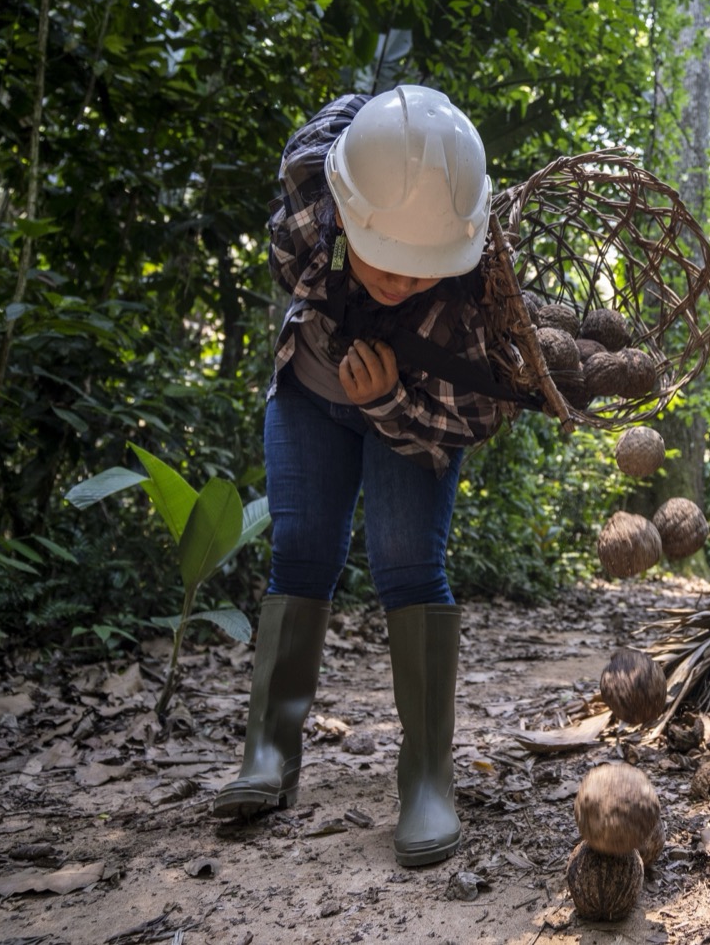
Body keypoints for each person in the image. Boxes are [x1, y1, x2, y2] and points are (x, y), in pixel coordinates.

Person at [213, 84, 511, 868]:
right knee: (302, 549)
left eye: (423, 269)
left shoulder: (477, 309)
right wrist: (396, 120)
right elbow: (335, 133)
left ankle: (426, 782)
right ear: (349, 212)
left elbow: (465, 426)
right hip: (311, 387)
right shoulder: (315, 205)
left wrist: (384, 402)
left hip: (407, 421)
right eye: (389, 256)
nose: (402, 281)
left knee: (407, 562)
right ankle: (269, 756)